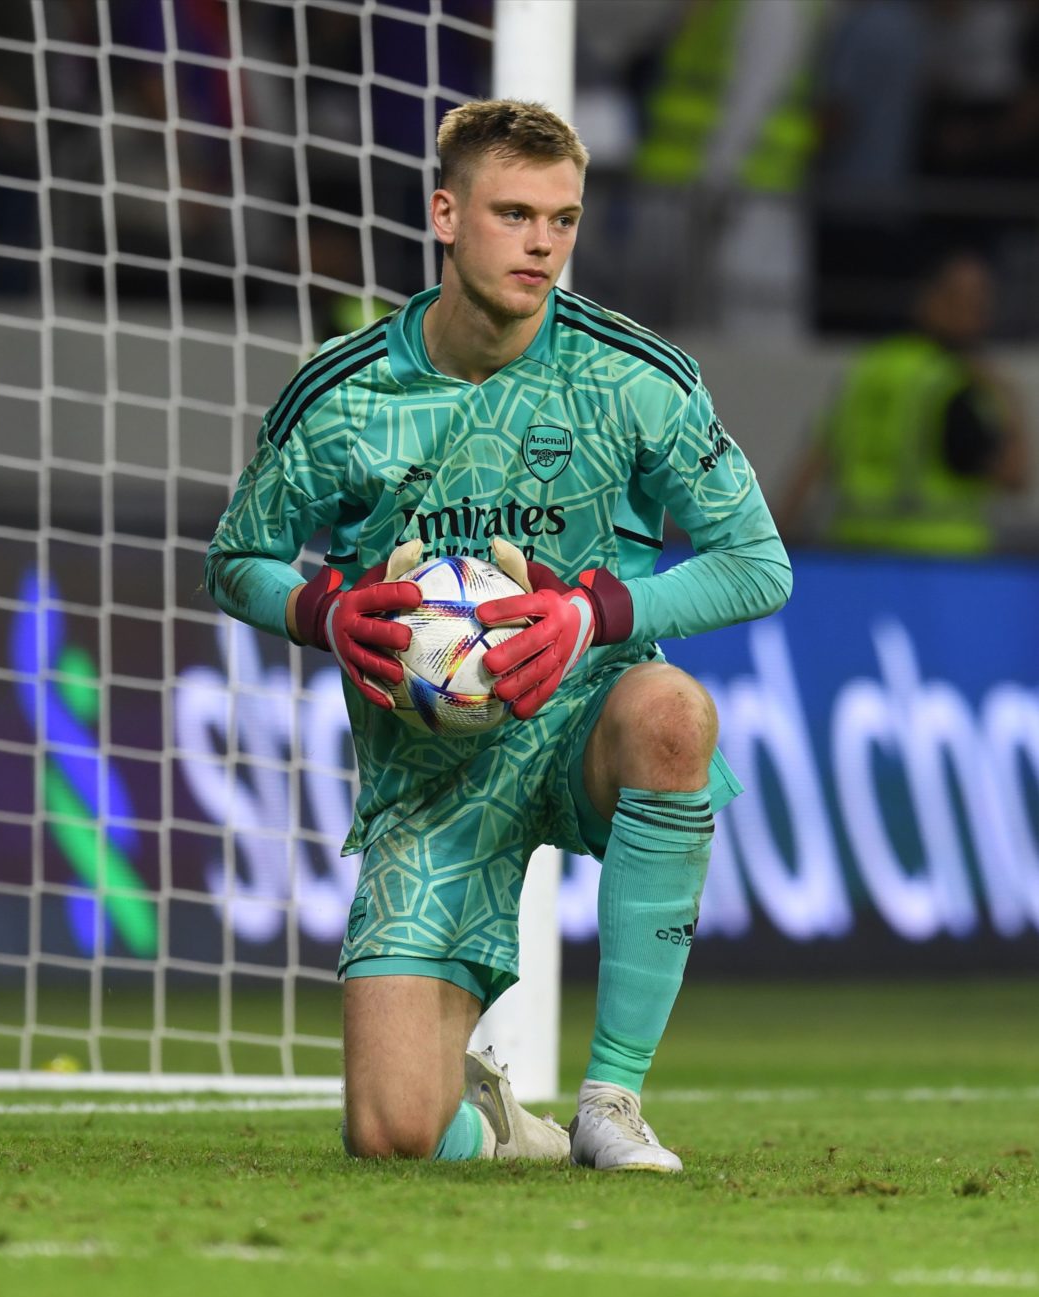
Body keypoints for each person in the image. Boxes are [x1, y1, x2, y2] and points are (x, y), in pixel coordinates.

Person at [205, 99, 792, 1171]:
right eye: (514, 213)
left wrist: (592, 614)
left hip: (583, 725)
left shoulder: (634, 378)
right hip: (431, 778)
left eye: (562, 220)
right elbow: (236, 560)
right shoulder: (343, 395)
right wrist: (323, 610)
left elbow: (759, 564)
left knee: (674, 712)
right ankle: (502, 1124)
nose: (542, 244)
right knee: (391, 1135)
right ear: (445, 213)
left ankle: (612, 1100)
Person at [777, 250, 1029, 554]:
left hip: (854, 555)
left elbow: (814, 462)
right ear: (930, 299)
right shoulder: (954, 383)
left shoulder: (870, 367)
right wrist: (1011, 401)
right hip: (941, 565)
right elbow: (1014, 477)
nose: (979, 311)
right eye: (966, 299)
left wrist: (769, 549)